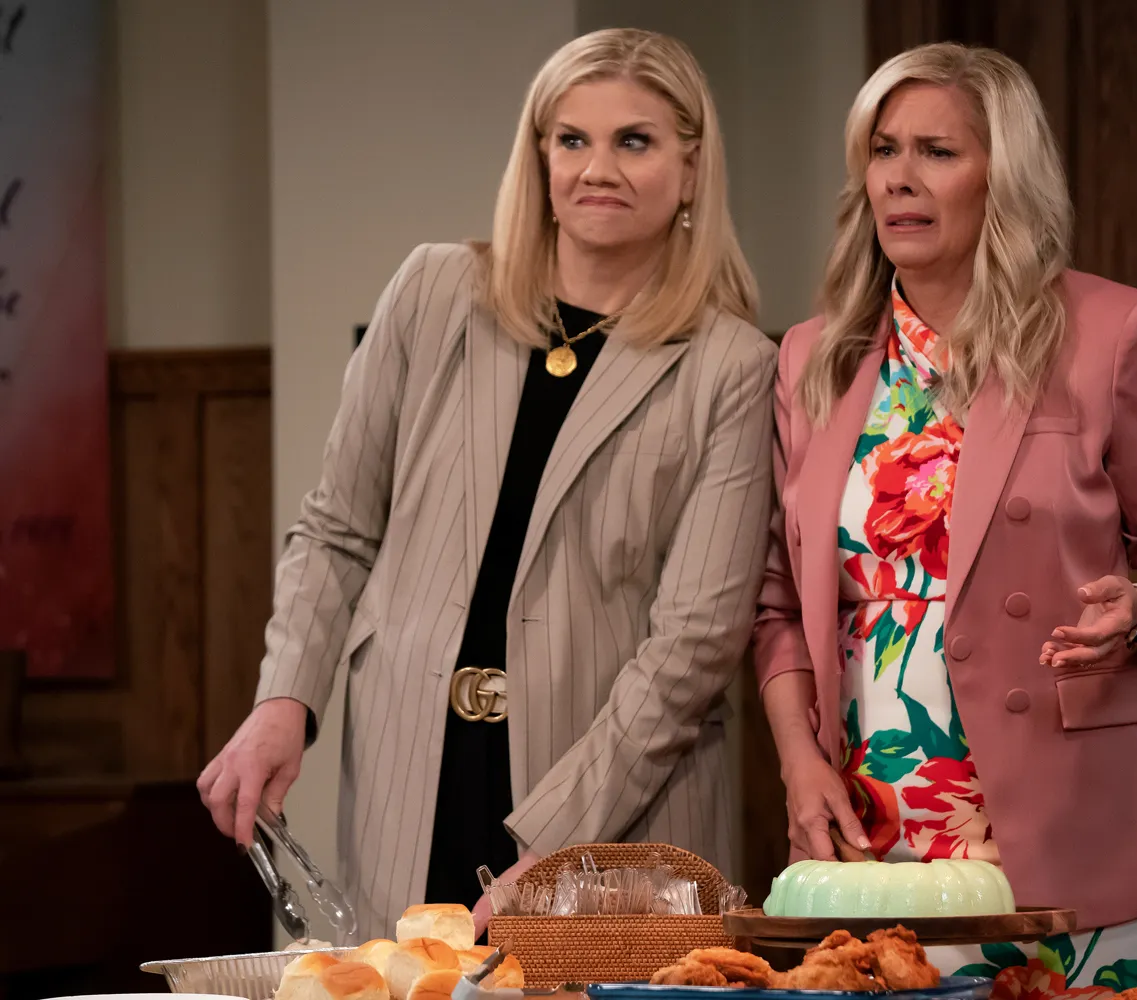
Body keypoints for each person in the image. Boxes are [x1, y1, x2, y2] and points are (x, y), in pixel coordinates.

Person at [198, 28, 776, 939]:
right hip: (411, 774)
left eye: (634, 141)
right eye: (572, 139)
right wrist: (284, 700)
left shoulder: (731, 365)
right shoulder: (432, 294)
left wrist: (559, 840)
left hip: (615, 806)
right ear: (539, 155)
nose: (598, 168)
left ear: (692, 169)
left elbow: (694, 645)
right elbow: (337, 528)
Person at [754, 42, 1137, 987]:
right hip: (867, 830)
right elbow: (777, 605)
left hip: (1064, 828)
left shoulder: (1111, 332)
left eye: (937, 152)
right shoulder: (814, 356)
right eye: (884, 150)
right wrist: (798, 764)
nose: (900, 178)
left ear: (1003, 177)